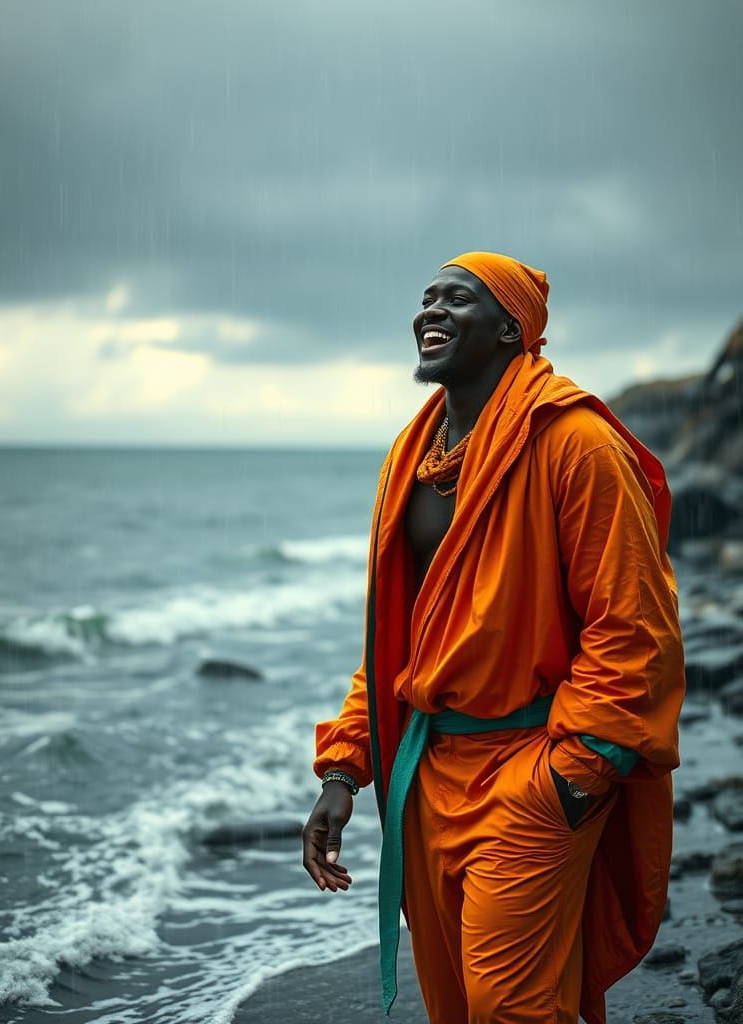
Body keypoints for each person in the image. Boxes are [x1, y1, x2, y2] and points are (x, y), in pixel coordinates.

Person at [301, 251, 685, 1024]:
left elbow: (635, 627)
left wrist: (572, 782)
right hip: (427, 776)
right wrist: (345, 769)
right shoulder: (412, 459)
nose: (431, 311)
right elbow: (400, 641)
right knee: (455, 1008)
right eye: (426, 298)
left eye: (457, 299)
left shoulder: (576, 442)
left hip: (532, 771)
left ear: (514, 327)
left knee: (512, 1008)